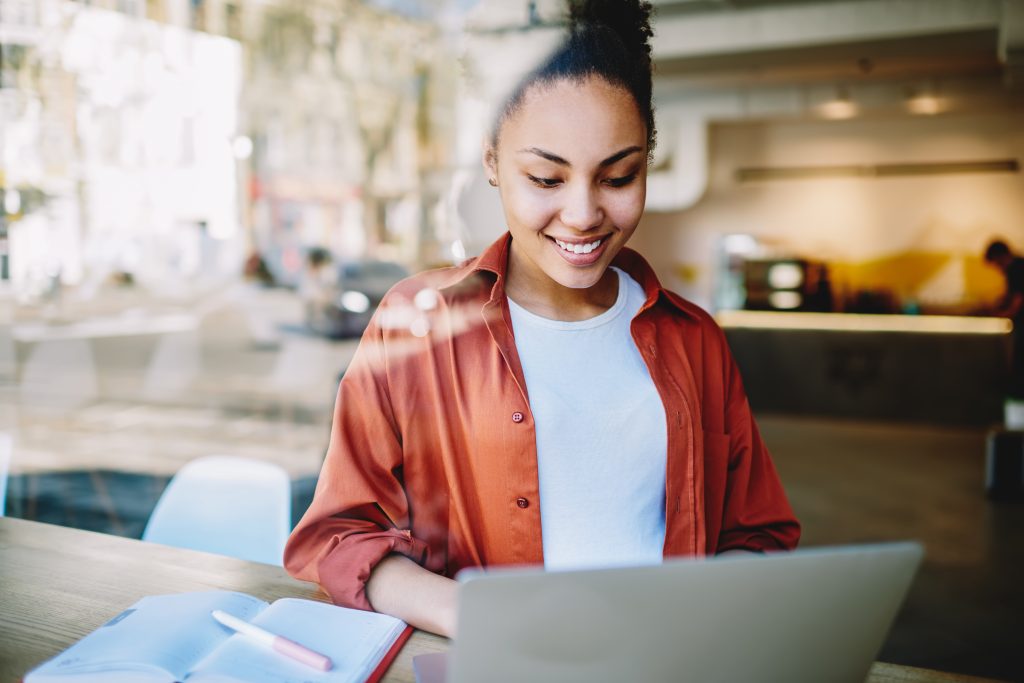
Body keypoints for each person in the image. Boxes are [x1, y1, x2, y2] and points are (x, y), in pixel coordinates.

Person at [284, 0, 800, 638]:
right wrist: (486, 620)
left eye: (619, 175)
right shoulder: (418, 324)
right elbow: (337, 537)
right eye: (546, 178)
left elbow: (758, 535)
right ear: (493, 162)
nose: (584, 214)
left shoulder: (695, 340)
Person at [984, 239, 1024, 398]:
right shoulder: (1018, 266)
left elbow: (1018, 302)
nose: (996, 268)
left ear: (998, 256)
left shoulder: (1016, 268)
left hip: (1022, 325)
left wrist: (999, 314)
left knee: (1019, 367)